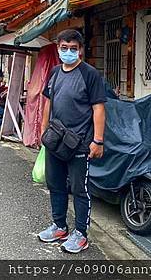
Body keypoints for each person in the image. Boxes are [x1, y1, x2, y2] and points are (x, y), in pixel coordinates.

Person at [38, 29, 106, 254]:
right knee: (55, 185)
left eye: (73, 49)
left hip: (80, 143)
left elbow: (98, 109)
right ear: (58, 48)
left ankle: (80, 234)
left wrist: (98, 141)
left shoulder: (90, 75)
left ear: (81, 50)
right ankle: (59, 226)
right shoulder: (55, 72)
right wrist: (43, 130)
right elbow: (48, 102)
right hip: (55, 141)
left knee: (79, 189)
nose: (68, 52)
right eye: (64, 48)